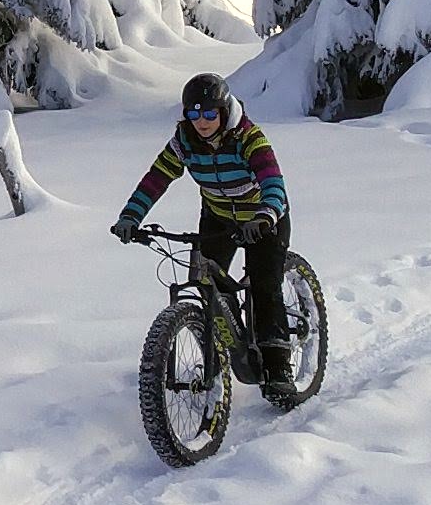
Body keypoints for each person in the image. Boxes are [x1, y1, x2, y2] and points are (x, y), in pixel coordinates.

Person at [112, 72, 297, 395]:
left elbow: (272, 182)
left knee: (265, 284)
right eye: (193, 114)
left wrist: (266, 214)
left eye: (209, 113)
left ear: (223, 111)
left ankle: (278, 365)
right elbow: (157, 178)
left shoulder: (248, 138)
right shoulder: (185, 142)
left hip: (263, 218)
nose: (202, 121)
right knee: (205, 281)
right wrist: (131, 216)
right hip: (218, 218)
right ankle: (219, 347)